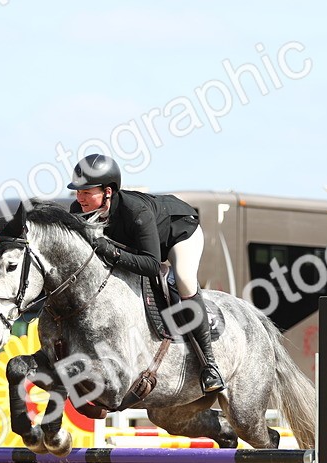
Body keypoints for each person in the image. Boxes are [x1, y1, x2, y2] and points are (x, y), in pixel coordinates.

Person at [66, 154, 223, 394]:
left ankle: (209, 366)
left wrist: (112, 252)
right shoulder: (79, 209)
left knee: (183, 279)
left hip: (178, 233)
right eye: (78, 192)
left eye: (87, 192)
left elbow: (151, 264)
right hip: (140, 245)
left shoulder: (136, 213)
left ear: (108, 192)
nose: (80, 198)